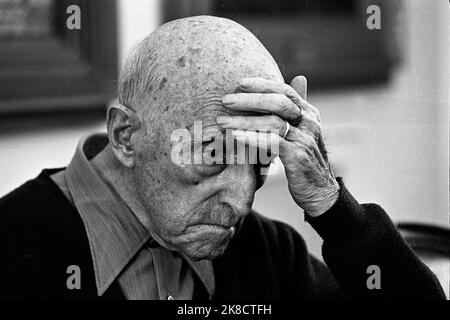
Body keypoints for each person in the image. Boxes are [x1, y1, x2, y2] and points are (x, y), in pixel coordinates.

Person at [0, 16, 444, 300]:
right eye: (213, 153)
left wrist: (332, 206)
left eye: (258, 160)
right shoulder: (13, 248)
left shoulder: (263, 252)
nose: (242, 201)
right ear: (125, 136)